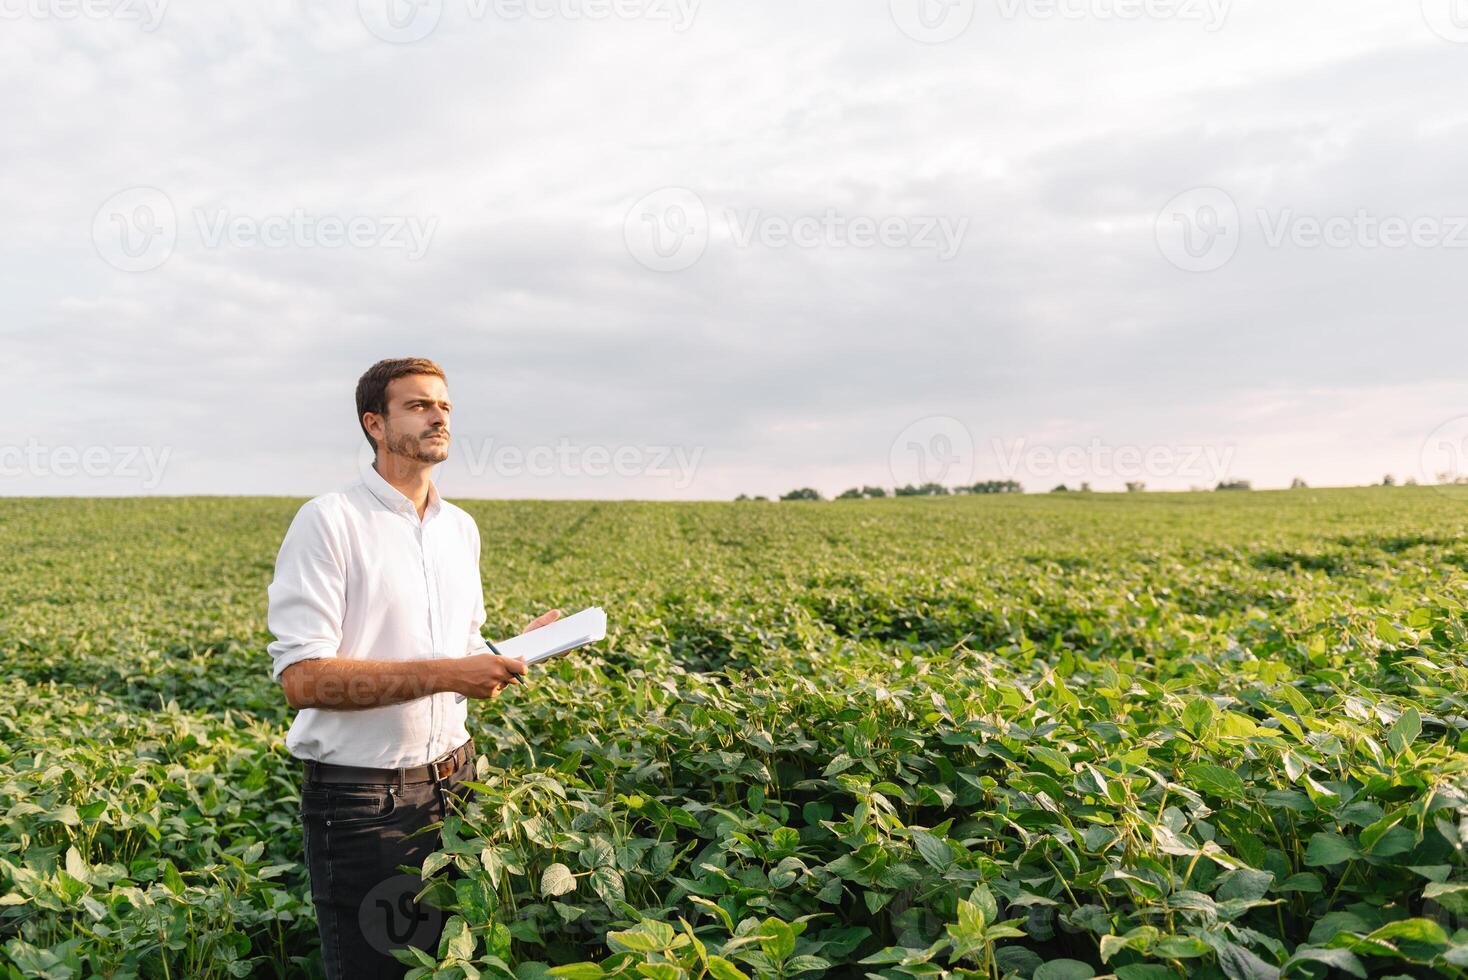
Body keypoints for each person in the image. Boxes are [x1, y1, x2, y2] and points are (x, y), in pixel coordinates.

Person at [266, 356, 561, 978]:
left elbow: (460, 644)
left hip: (457, 782)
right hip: (364, 800)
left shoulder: (460, 528)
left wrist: (506, 654)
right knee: (378, 969)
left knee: (450, 965)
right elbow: (304, 679)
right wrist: (450, 673)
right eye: (418, 405)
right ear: (375, 424)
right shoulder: (330, 521)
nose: (438, 417)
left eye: (445, 406)